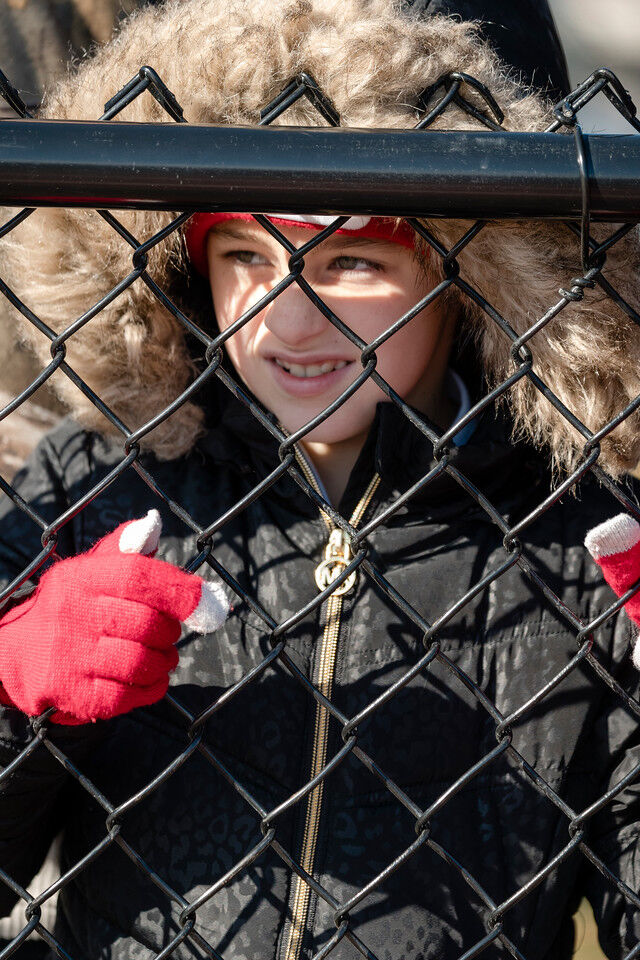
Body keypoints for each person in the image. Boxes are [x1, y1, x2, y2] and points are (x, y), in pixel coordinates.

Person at [1, 1, 640, 958]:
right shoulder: (95, 483)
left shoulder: (579, 534)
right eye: (245, 254)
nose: (285, 323)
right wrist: (13, 704)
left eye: (350, 258)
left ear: (475, 273)